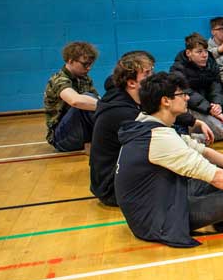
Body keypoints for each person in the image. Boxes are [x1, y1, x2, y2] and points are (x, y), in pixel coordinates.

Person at [115, 71, 223, 247]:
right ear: (165, 101)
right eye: (181, 94)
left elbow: (205, 152)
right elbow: (215, 176)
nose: (187, 98)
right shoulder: (158, 137)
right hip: (156, 219)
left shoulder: (148, 123)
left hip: (164, 196)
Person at [90, 51, 214, 206]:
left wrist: (194, 121)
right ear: (132, 83)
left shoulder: (130, 97)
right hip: (112, 188)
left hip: (117, 180)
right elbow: (161, 124)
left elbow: (158, 105)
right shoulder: (122, 111)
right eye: (147, 73)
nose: (153, 77)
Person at [172, 33, 223, 151]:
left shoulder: (210, 63)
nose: (204, 55)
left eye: (205, 51)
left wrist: (218, 105)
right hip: (193, 116)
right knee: (195, 109)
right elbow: (187, 93)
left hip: (211, 112)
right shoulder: (177, 68)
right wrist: (209, 109)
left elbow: (216, 88)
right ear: (189, 53)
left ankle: (203, 138)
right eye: (199, 52)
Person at [43, 41, 100, 151]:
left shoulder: (84, 78)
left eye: (90, 64)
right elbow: (75, 101)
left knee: (93, 101)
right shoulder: (58, 80)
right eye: (85, 64)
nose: (89, 68)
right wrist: (108, 106)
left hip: (79, 131)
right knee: (85, 99)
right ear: (70, 60)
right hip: (61, 139)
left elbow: (96, 100)